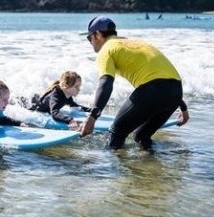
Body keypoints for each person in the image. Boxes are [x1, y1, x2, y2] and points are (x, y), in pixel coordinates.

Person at [80, 16, 189, 150]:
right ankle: (150, 168)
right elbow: (165, 79)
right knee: (141, 136)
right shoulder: (136, 44)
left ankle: (108, 170)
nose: (90, 42)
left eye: (89, 37)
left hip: (154, 90)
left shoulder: (106, 49)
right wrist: (183, 107)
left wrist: (92, 117)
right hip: (176, 91)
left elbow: (106, 83)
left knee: (116, 133)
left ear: (97, 34)